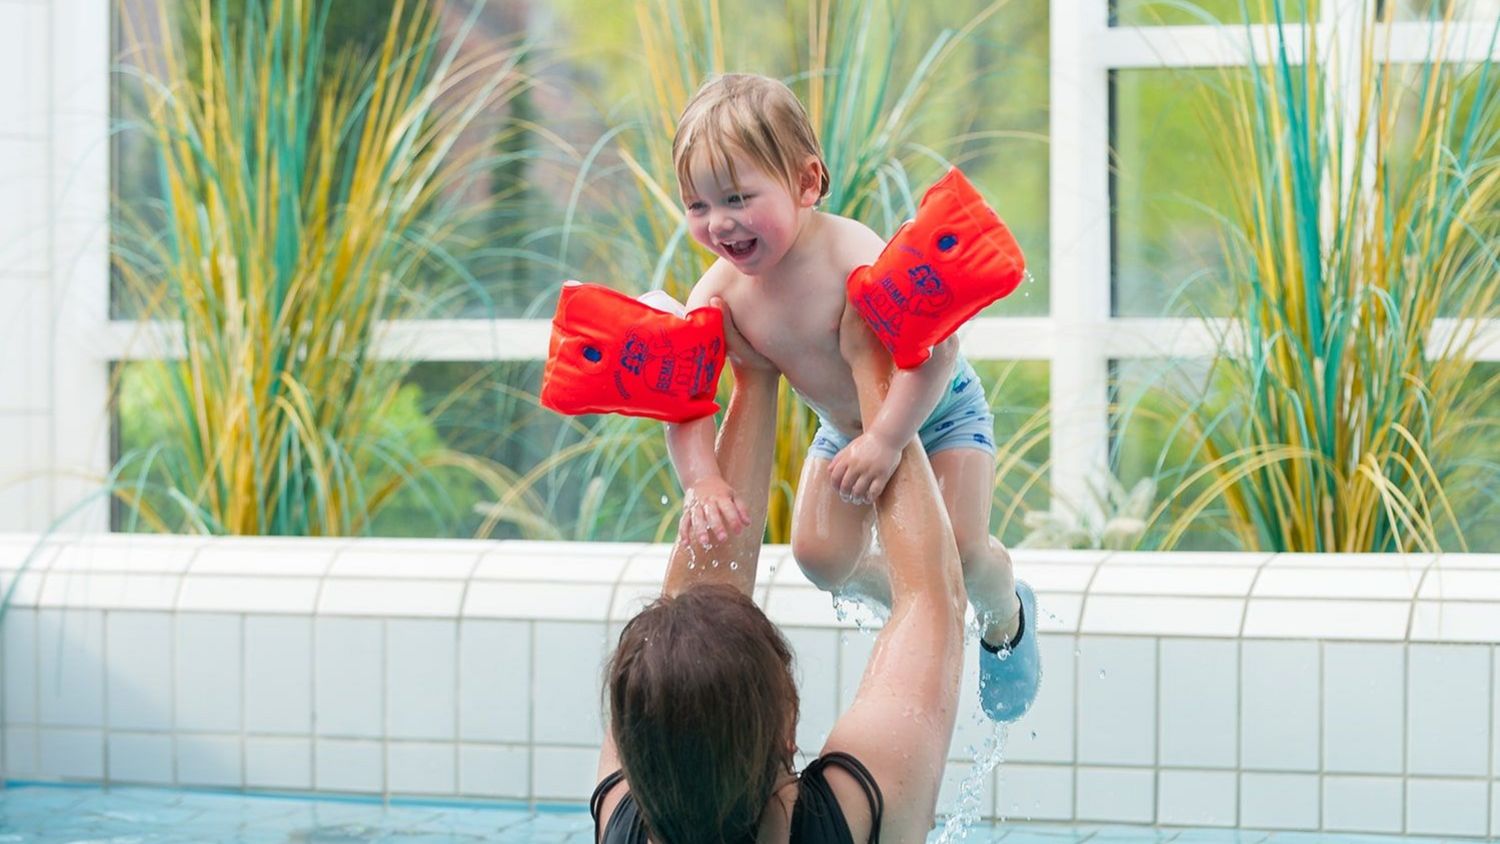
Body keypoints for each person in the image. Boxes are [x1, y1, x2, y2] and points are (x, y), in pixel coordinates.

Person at [662, 73, 1037, 721]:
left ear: (807, 183)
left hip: (937, 412)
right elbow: (686, 399)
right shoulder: (719, 296)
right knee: (820, 558)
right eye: (697, 206)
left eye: (738, 197)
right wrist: (703, 482)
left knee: (965, 551)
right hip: (845, 426)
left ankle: (1004, 615)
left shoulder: (853, 256)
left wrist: (888, 439)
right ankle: (921, 603)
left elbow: (937, 351)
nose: (719, 223)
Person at [592, 299, 967, 842]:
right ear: (787, 728)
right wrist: (871, 371)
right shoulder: (859, 808)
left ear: (629, 749)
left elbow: (696, 619)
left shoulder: (619, 820)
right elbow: (933, 599)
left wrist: (757, 376)